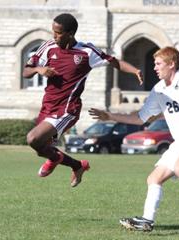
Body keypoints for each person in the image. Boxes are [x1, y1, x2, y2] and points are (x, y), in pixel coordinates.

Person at [89, 46, 179, 235]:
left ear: (172, 64)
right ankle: (147, 221)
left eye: (158, 64)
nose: (154, 68)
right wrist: (109, 116)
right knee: (154, 179)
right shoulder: (158, 89)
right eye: (154, 64)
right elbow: (140, 118)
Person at [23, 13, 143, 188]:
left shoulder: (86, 52)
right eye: (53, 31)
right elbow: (26, 72)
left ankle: (56, 160)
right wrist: (39, 70)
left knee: (33, 138)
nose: (54, 36)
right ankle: (77, 165)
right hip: (47, 106)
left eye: (58, 33)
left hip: (67, 109)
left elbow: (114, 62)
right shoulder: (48, 47)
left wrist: (135, 71)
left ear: (70, 33)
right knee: (41, 148)